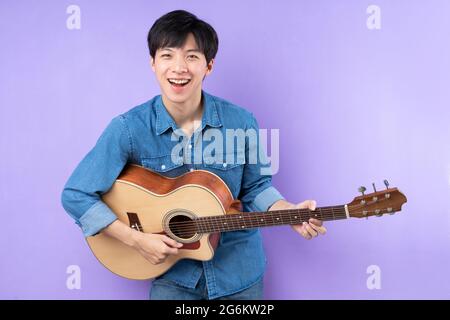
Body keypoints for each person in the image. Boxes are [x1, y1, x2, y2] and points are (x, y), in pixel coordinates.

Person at [61, 9, 326, 300]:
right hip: (172, 279)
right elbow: (76, 194)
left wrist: (288, 212)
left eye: (191, 56)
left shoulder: (242, 121)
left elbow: (257, 188)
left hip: (239, 276)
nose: (179, 68)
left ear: (208, 66)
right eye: (167, 55)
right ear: (152, 63)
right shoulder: (128, 128)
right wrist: (136, 240)